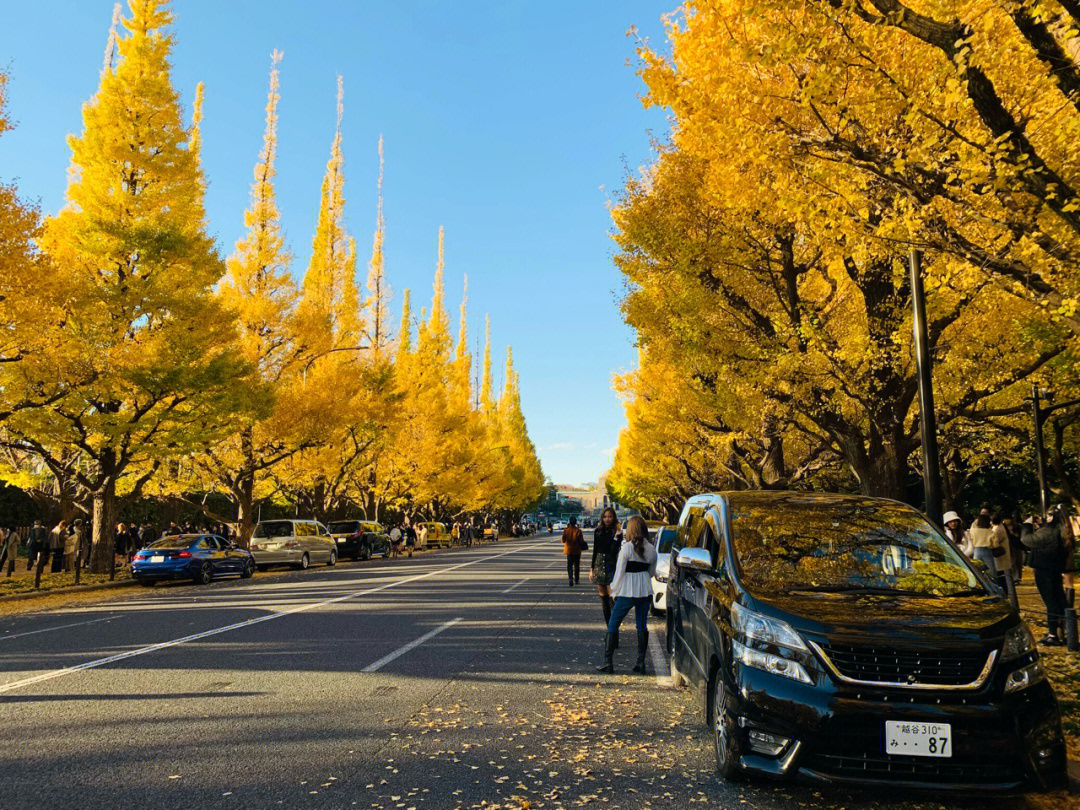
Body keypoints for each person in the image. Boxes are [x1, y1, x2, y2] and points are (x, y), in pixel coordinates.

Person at [597, 516, 657, 674]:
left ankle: (608, 662)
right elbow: (652, 572)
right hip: (644, 589)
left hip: (627, 590)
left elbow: (619, 572)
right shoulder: (651, 548)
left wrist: (614, 590)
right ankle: (640, 662)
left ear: (630, 530)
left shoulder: (627, 548)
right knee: (641, 625)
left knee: (613, 623)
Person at [1022, 505, 1072, 646]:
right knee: (1060, 601)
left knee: (1051, 603)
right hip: (1054, 569)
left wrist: (1026, 525)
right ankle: (1068, 633)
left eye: (1048, 515)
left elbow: (1027, 540)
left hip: (1044, 570)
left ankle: (1053, 635)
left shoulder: (1049, 531)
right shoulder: (1062, 530)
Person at [590, 507, 623, 642]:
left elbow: (614, 551)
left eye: (610, 516)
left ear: (613, 517)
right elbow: (595, 550)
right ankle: (609, 632)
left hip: (611, 564)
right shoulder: (598, 531)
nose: (607, 519)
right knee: (603, 599)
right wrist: (591, 568)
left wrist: (616, 538)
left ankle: (613, 632)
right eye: (605, 517)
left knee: (612, 600)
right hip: (599, 563)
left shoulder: (617, 532)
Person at [562, 517, 586, 587]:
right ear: (575, 522)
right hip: (577, 550)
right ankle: (577, 579)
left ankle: (570, 578)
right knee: (576, 565)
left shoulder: (566, 531)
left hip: (569, 550)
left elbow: (563, 540)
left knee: (569, 565)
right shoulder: (578, 531)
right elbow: (581, 541)